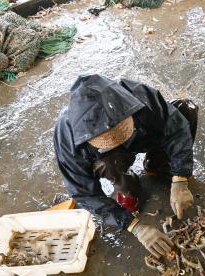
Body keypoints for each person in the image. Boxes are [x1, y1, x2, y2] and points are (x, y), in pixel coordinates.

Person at [53, 74, 197, 257]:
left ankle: (157, 163)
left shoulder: (139, 95)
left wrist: (180, 178)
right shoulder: (67, 136)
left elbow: (175, 127)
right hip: (110, 159)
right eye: (108, 139)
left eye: (120, 131)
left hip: (141, 136)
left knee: (186, 110)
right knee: (117, 176)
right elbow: (83, 192)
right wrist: (134, 226)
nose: (116, 139)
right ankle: (124, 181)